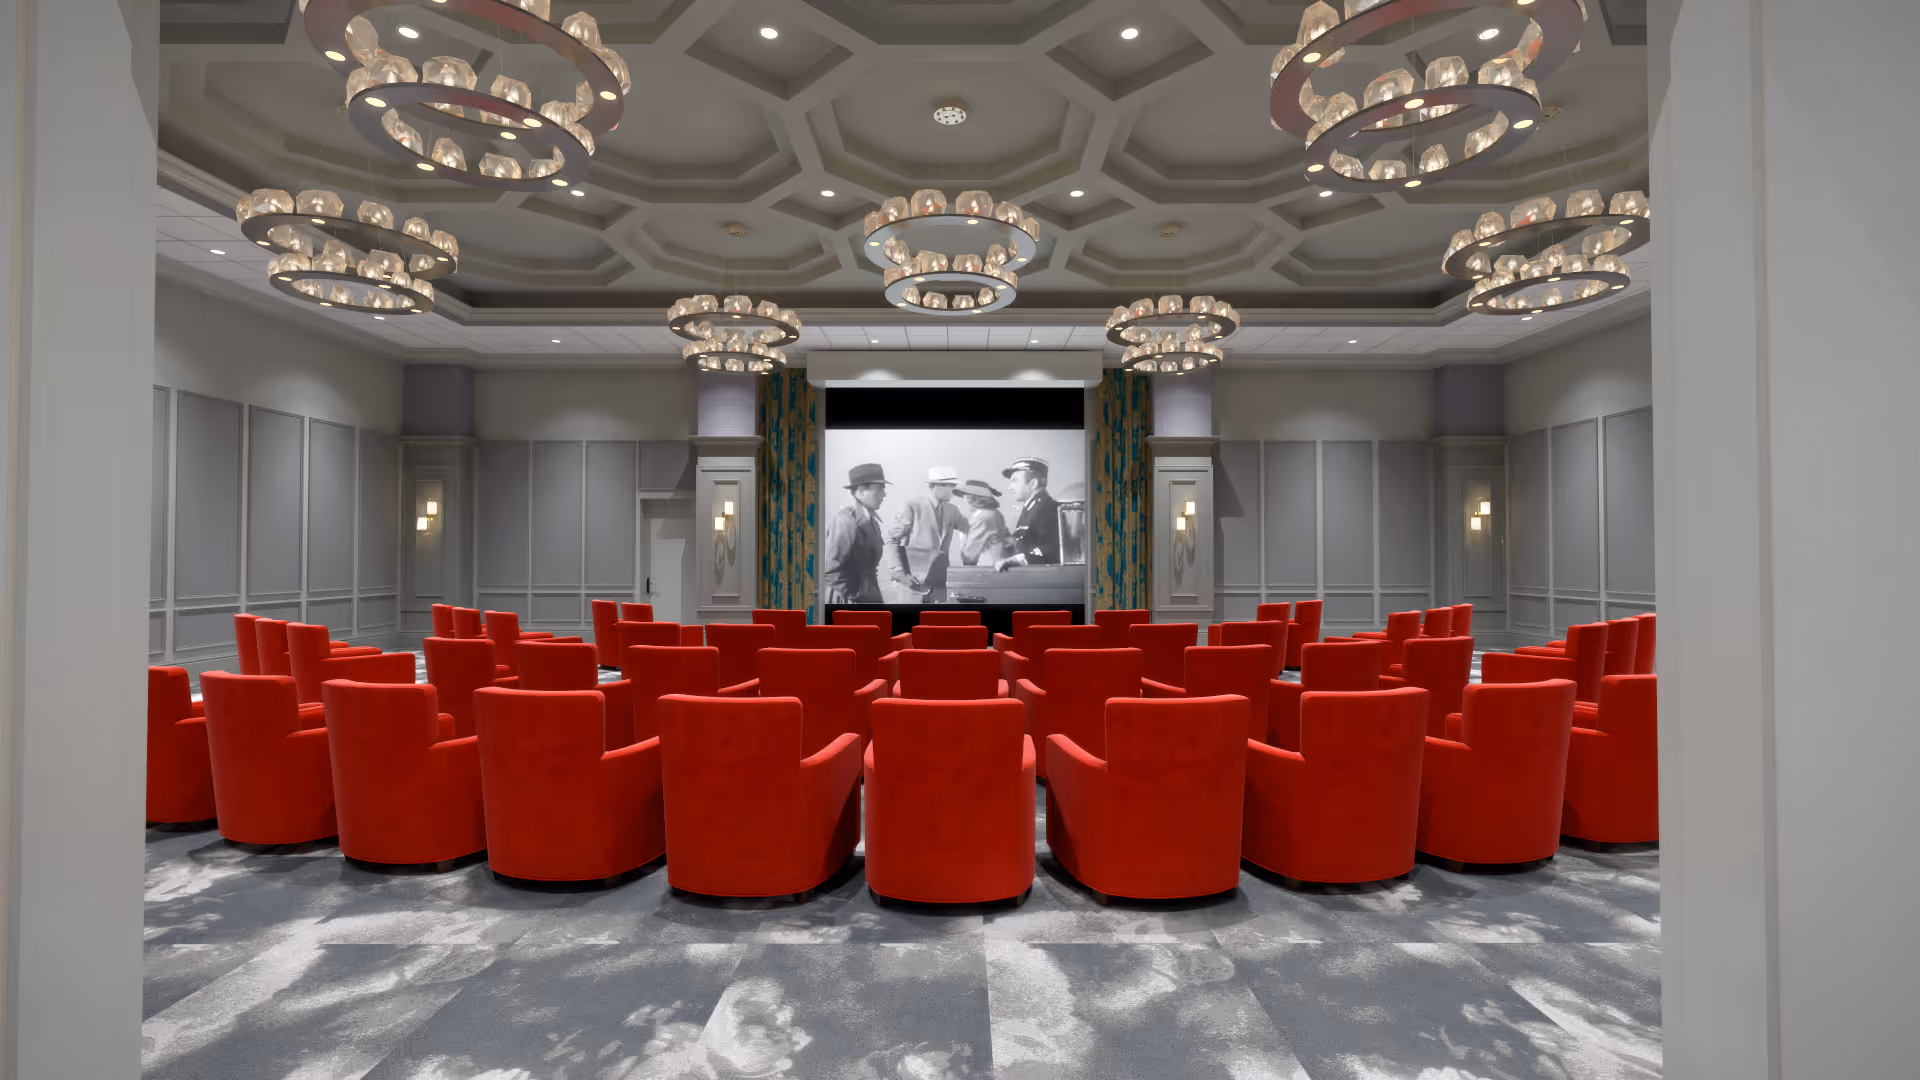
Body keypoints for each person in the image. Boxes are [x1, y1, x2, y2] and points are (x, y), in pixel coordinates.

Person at [883, 465, 969, 604]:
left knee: (935, 624)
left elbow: (972, 530)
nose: (954, 490)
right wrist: (899, 573)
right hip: (912, 583)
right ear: (937, 486)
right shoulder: (912, 506)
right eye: (951, 485)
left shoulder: (952, 510)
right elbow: (891, 540)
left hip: (939, 584)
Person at [822, 463, 889, 604]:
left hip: (868, 597)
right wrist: (856, 596)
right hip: (848, 600)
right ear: (862, 491)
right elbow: (831, 571)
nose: (884, 495)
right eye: (879, 490)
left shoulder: (871, 521)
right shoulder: (845, 521)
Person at [995, 457, 1061, 570]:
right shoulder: (1033, 507)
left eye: (1014, 481)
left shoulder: (1046, 508)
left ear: (1033, 484)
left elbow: (1050, 548)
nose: (1010, 487)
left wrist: (1018, 559)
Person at [955, 479, 1010, 566]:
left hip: (987, 571)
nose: (965, 500)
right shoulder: (995, 513)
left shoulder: (981, 517)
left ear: (971, 499)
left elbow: (969, 556)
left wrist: (963, 537)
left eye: (965, 497)